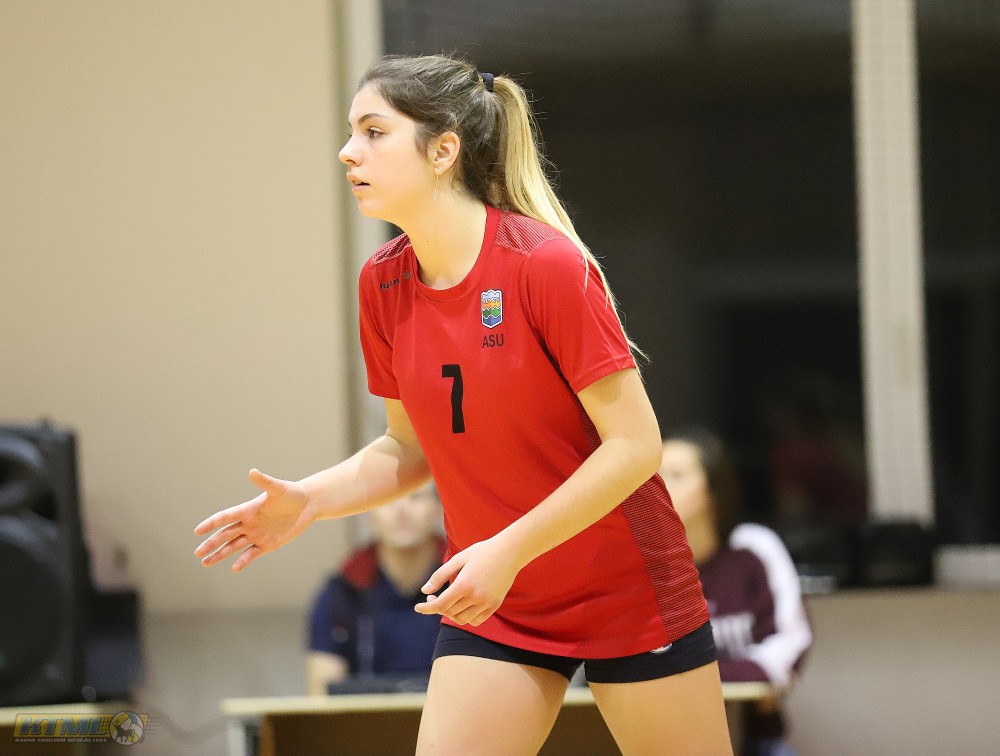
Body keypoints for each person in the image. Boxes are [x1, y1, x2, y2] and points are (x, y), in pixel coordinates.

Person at [195, 53, 732, 754]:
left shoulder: (544, 265)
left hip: (623, 586)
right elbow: (408, 447)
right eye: (352, 132)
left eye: (373, 131)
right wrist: (312, 499)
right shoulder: (383, 284)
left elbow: (636, 448)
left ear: (443, 150)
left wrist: (507, 550)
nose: (348, 151)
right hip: (498, 597)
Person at [659, 429, 813, 756]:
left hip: (752, 739)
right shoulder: (639, 565)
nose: (661, 485)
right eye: (653, 476)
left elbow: (790, 642)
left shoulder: (753, 549)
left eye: (676, 475)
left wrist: (697, 679)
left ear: (713, 490)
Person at [306, 482, 445, 695]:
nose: (402, 510)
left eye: (415, 497)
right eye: (389, 499)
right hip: (364, 717)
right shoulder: (341, 592)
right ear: (368, 513)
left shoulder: (465, 583)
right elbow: (323, 694)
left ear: (438, 509)